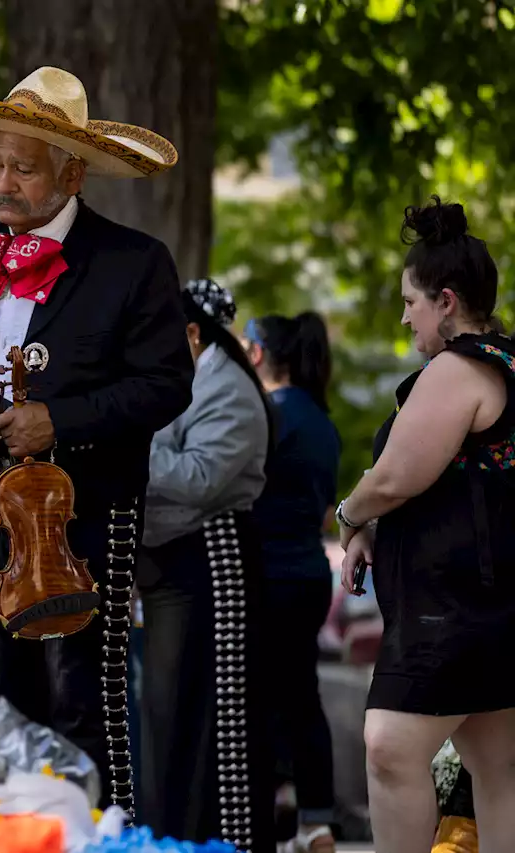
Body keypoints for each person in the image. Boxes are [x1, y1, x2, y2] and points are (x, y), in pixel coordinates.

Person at [0, 66, 193, 813]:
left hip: (85, 508)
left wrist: (61, 420)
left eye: (23, 168)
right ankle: (26, 827)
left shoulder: (133, 262)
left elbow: (166, 386)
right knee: (3, 692)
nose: (2, 182)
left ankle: (103, 828)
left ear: (71, 173)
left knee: (85, 692)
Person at [337, 196, 515, 852]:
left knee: (389, 745)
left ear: (445, 300)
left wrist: (349, 515)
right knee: (497, 764)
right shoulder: (503, 363)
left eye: (411, 300)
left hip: (453, 611)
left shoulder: (460, 366)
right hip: (484, 602)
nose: (406, 315)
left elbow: (393, 477)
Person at [136, 279, 274, 851]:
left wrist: (124, 439)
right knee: (169, 717)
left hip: (216, 561)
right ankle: (175, 836)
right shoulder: (187, 379)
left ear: (193, 334)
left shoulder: (228, 387)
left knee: (217, 723)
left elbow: (198, 480)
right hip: (174, 561)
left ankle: (223, 844)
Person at [244, 312, 341, 853]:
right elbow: (327, 511)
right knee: (304, 698)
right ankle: (317, 820)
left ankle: (262, 821)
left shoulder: (265, 416)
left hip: (266, 576)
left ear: (257, 354)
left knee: (256, 702)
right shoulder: (321, 421)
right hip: (309, 574)